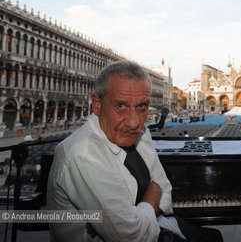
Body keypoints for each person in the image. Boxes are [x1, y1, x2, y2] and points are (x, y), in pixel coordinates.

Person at [47, 60, 222, 242]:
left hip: (159, 226)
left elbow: (163, 187)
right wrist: (148, 201)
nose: (134, 122)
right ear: (97, 104)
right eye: (121, 106)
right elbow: (130, 236)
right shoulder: (83, 154)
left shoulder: (141, 132)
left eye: (142, 107)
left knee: (213, 237)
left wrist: (129, 215)